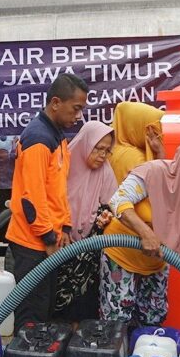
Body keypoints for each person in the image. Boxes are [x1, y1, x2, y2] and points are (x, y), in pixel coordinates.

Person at [101, 138, 180, 326]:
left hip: (157, 260)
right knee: (117, 323)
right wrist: (146, 233)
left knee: (154, 319)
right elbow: (118, 201)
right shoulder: (154, 172)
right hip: (122, 255)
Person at [5, 74, 86, 326]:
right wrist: (49, 236)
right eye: (76, 108)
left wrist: (66, 227)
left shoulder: (57, 136)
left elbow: (57, 190)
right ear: (55, 103)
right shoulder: (38, 138)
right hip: (33, 242)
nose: (79, 116)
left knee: (46, 309)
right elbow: (32, 197)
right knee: (32, 314)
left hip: (50, 238)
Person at [54, 121, 116, 319]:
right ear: (86, 143)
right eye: (98, 149)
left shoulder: (105, 171)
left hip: (89, 252)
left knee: (85, 305)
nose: (102, 156)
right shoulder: (63, 164)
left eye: (107, 151)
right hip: (59, 242)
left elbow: (114, 203)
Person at [109, 101, 165, 184]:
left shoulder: (110, 148)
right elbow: (157, 184)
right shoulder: (132, 158)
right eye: (155, 131)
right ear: (137, 128)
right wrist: (161, 152)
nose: (159, 136)